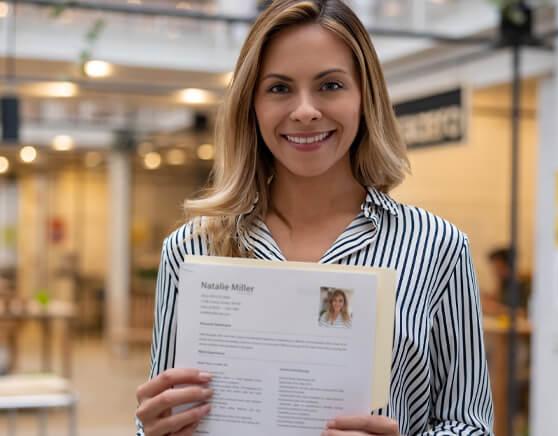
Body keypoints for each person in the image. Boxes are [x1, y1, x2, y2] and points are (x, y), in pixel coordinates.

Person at [135, 1, 493, 435]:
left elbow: (469, 423)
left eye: (330, 85)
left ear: (365, 98)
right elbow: (169, 416)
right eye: (279, 89)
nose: (305, 110)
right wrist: (152, 430)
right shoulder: (192, 250)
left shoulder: (437, 247)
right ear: (252, 106)